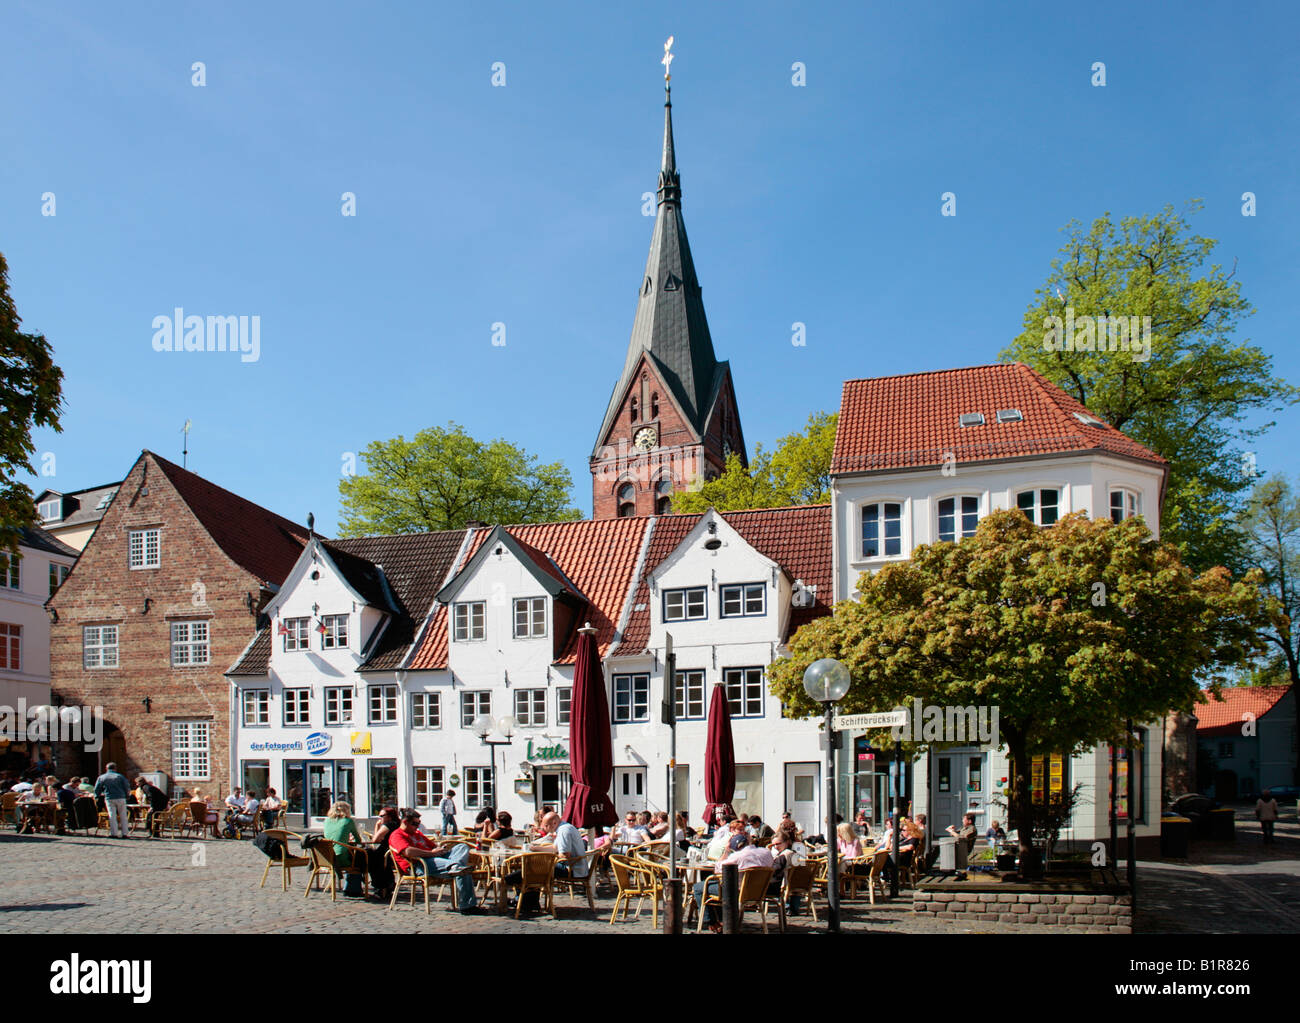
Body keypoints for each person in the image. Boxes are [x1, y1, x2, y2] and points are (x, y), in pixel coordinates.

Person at [387, 808, 481, 914]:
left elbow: (434, 846)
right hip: (419, 865)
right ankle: (467, 905)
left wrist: (440, 849)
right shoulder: (397, 835)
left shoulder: (417, 833)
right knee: (463, 870)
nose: (418, 826)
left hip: (435, 859)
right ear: (404, 822)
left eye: (419, 823)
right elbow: (408, 852)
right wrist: (432, 853)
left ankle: (454, 867)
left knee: (462, 847)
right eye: (415, 824)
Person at [694, 839, 774, 933]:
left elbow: (718, 869)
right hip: (758, 892)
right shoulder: (766, 852)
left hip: (736, 892)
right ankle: (722, 920)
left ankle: (711, 922)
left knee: (698, 887)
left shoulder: (737, 856)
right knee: (719, 887)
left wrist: (726, 852)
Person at [322, 800, 365, 873]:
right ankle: (353, 884)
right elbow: (358, 840)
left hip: (327, 857)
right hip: (340, 857)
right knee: (361, 859)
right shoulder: (348, 821)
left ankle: (351, 883)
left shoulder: (326, 821)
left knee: (355, 858)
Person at [94, 761, 132, 839]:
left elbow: (97, 788)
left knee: (112, 815)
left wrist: (97, 796)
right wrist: (127, 795)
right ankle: (125, 833)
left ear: (106, 768)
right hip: (121, 797)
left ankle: (114, 833)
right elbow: (126, 786)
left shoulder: (102, 777)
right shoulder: (120, 776)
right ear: (115, 768)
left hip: (109, 797)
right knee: (123, 815)